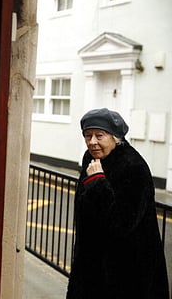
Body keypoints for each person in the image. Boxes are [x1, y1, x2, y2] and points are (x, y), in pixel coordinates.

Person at [66, 108, 170, 299]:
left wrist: (97, 182)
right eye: (87, 135)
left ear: (116, 137)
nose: (92, 142)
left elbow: (122, 224)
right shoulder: (91, 158)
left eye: (100, 135)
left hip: (126, 271)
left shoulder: (133, 167)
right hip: (92, 265)